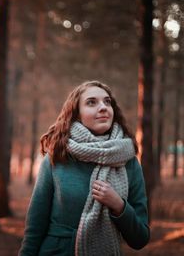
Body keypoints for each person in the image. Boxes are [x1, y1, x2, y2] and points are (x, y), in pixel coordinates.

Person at [18, 81, 150, 256]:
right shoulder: (57, 157)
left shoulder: (129, 162)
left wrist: (118, 205)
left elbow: (140, 238)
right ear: (76, 114)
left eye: (107, 102)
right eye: (91, 102)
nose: (103, 107)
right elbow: (35, 226)